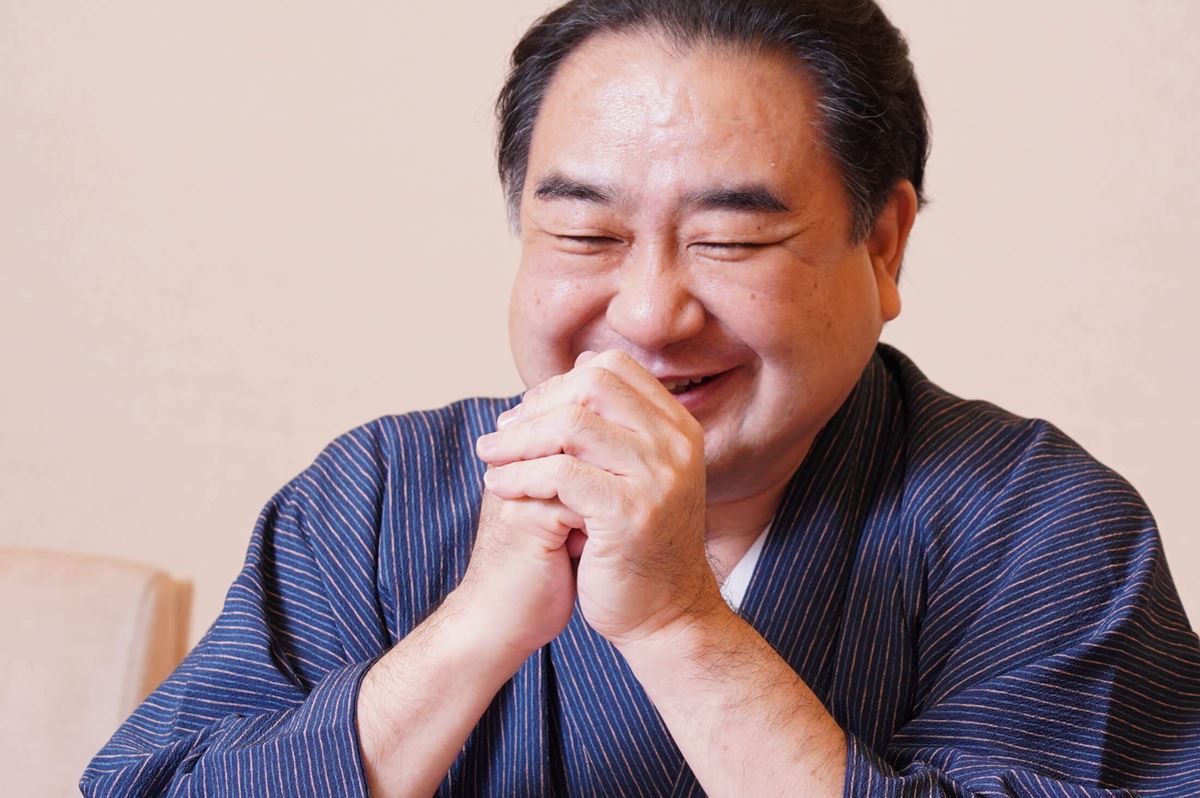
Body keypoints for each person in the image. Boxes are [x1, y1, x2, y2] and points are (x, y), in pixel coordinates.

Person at [81, 1, 1200, 796]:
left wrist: (678, 625)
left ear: (884, 243)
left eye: (732, 239)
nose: (652, 313)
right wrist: (470, 634)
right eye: (585, 234)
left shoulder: (1037, 527)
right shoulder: (376, 500)